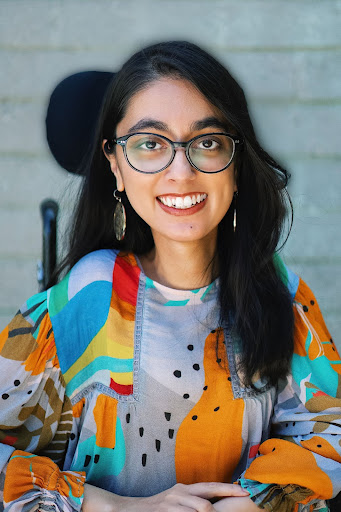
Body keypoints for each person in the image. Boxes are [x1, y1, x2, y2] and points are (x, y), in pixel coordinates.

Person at [0, 41, 340, 512]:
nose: (181, 172)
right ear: (115, 165)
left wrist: (256, 499)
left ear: (236, 163)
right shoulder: (86, 298)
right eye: (150, 144)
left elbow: (329, 428)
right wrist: (116, 506)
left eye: (207, 142)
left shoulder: (279, 290)